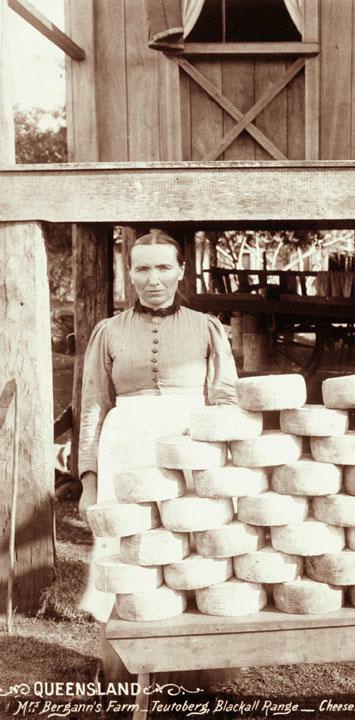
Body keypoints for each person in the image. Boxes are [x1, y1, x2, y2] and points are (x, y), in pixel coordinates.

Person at [78, 228, 238, 620]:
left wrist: (223, 468)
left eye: (164, 267)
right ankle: (119, 656)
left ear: (182, 271)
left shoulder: (207, 327)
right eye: (143, 269)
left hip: (189, 448)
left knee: (193, 543)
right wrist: (89, 481)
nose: (154, 279)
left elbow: (226, 399)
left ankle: (196, 651)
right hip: (126, 449)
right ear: (129, 273)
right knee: (124, 548)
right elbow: (93, 407)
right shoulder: (108, 331)